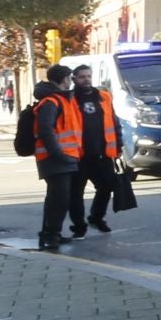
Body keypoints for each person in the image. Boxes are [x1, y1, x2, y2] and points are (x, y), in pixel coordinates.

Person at [67, 63, 124, 234]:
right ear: (74, 79)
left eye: (89, 76)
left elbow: (114, 123)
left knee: (107, 186)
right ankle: (79, 226)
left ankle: (96, 218)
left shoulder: (104, 97)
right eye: (82, 77)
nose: (86, 80)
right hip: (78, 155)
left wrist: (119, 144)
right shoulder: (69, 99)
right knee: (76, 193)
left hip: (102, 153)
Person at [32, 65, 81, 252]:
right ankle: (51, 236)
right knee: (58, 200)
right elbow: (46, 129)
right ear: (64, 79)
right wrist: (58, 153)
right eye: (70, 78)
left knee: (56, 199)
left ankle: (51, 233)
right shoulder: (51, 101)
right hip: (55, 158)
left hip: (63, 157)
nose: (71, 81)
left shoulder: (58, 99)